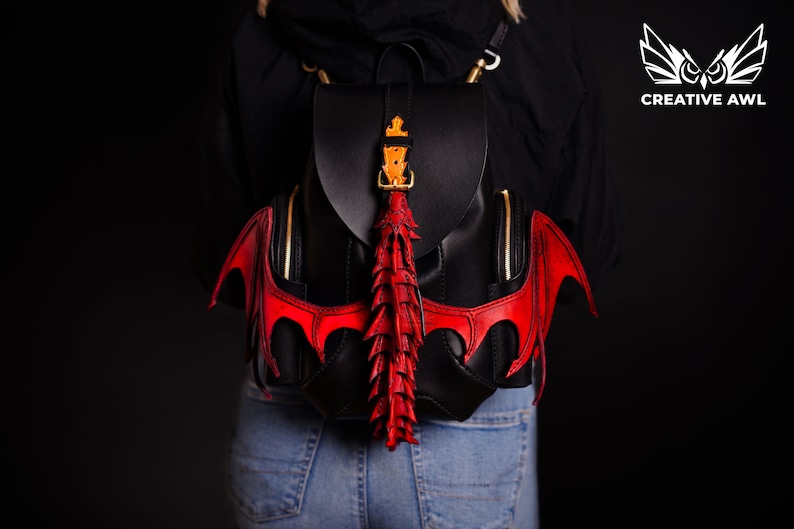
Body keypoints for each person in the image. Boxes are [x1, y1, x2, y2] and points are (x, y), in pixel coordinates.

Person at [189, 0, 624, 527]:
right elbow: (586, 260)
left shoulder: (263, 29)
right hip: (472, 427)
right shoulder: (538, 32)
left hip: (296, 408)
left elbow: (222, 268)